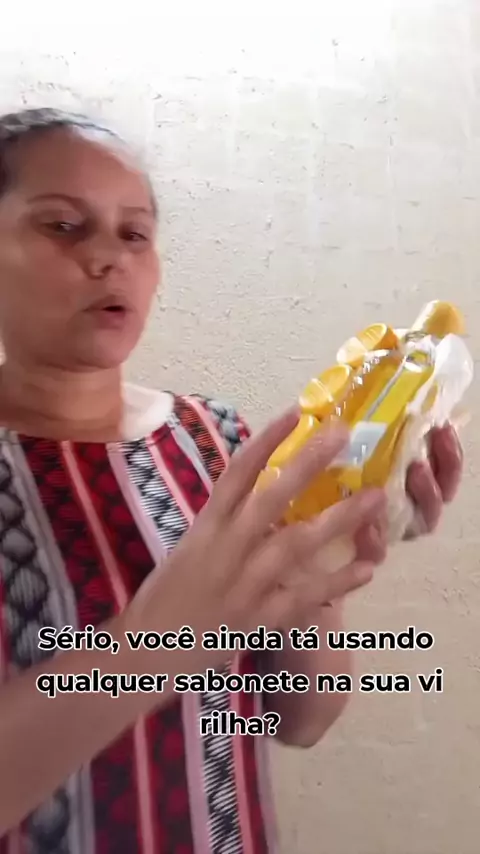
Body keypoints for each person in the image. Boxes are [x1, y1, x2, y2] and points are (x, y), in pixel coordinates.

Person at [0, 107, 463, 854]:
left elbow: (301, 717)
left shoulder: (218, 439)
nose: (109, 257)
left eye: (135, 234)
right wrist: (157, 640)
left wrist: (325, 561)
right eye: (62, 226)